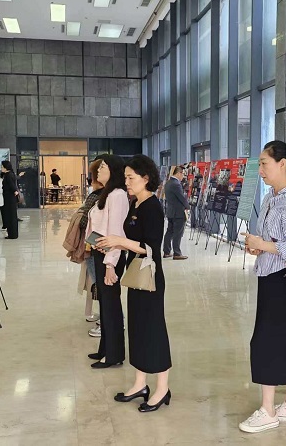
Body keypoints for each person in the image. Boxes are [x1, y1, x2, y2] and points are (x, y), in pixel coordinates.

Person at [238, 141, 286, 433]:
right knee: (284, 339)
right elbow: (275, 242)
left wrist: (263, 244)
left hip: (282, 280)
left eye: (264, 163)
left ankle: (268, 410)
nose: (260, 170)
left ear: (282, 164)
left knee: (267, 341)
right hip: (272, 275)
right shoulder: (272, 197)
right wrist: (258, 247)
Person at [97, 155, 173, 413]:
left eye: (131, 178)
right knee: (138, 329)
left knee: (153, 330)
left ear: (146, 178)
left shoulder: (153, 207)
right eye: (126, 177)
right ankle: (140, 383)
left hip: (149, 276)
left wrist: (119, 241)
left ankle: (162, 388)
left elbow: (151, 248)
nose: (127, 182)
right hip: (135, 274)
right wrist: (114, 244)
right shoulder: (135, 204)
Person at [85, 155, 130, 369]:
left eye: (103, 166)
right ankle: (105, 349)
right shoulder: (108, 193)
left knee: (111, 306)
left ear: (113, 170)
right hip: (100, 252)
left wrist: (110, 264)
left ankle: (114, 354)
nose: (98, 170)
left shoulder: (118, 195)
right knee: (104, 304)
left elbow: (117, 231)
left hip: (109, 256)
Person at [76, 159, 104, 329]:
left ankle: (110, 319)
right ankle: (105, 315)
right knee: (99, 283)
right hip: (101, 247)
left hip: (95, 246)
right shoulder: (110, 195)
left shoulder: (96, 197)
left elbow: (84, 222)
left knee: (98, 283)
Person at [163, 166, 189, 260]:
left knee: (169, 232)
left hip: (170, 211)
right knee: (178, 233)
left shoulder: (168, 183)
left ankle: (166, 251)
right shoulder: (176, 184)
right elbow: (181, 197)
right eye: (183, 174)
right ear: (178, 173)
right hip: (178, 213)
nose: (183, 176)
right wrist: (188, 206)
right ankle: (177, 253)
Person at [0, 161, 19, 239]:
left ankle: (12, 234)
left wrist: (15, 191)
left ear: (5, 167)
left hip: (9, 198)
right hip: (10, 198)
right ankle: (13, 234)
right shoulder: (11, 174)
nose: (1, 168)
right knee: (12, 215)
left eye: (2, 167)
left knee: (10, 216)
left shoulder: (8, 175)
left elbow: (12, 185)